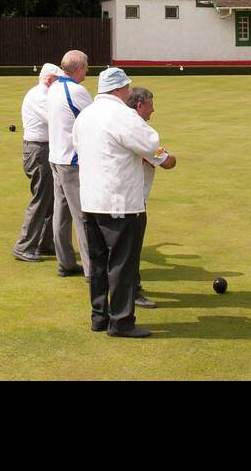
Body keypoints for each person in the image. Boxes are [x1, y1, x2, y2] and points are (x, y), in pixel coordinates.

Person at [73, 67, 165, 338]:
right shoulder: (124, 115)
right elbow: (151, 145)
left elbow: (78, 148)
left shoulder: (86, 115)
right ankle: (121, 322)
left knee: (99, 263)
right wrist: (165, 158)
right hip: (121, 202)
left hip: (90, 200)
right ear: (120, 89)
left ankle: (98, 317)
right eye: (126, 87)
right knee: (122, 263)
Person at [125, 86, 175, 309]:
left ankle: (114, 291)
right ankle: (132, 293)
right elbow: (167, 163)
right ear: (139, 106)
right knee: (131, 250)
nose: (153, 110)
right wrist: (167, 155)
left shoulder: (116, 122)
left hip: (110, 197)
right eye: (150, 106)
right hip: (133, 201)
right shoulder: (141, 132)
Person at [46, 49, 92, 279]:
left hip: (55, 158)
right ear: (79, 68)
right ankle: (92, 271)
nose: (88, 70)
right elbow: (95, 117)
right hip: (71, 162)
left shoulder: (53, 87)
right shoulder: (76, 90)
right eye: (86, 66)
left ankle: (65, 263)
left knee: (61, 213)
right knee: (82, 216)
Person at [12, 63, 62, 262]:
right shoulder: (39, 96)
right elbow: (55, 120)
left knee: (51, 199)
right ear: (50, 80)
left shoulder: (46, 94)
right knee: (41, 199)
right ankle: (23, 246)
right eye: (59, 81)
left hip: (44, 149)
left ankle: (45, 244)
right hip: (39, 150)